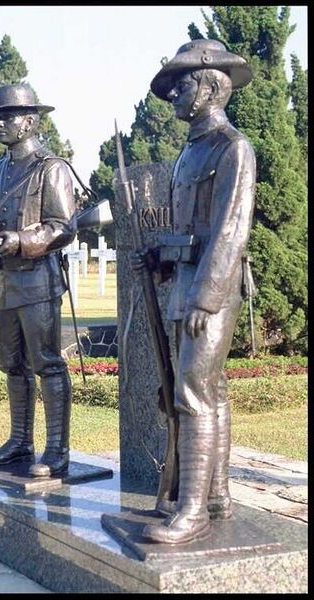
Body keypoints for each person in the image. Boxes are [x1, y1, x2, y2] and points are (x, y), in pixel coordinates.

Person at [131, 39, 256, 544]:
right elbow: (192, 228)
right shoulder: (190, 153)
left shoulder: (233, 148)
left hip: (211, 288)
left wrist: (206, 296)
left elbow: (230, 229)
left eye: (180, 86)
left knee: (190, 394)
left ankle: (192, 511)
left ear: (208, 86)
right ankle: (217, 494)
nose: (174, 96)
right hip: (184, 280)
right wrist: (159, 256)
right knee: (210, 391)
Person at [0, 83, 76, 478]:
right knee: (12, 365)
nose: (1, 123)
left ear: (31, 121)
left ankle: (56, 450)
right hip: (4, 283)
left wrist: (18, 240)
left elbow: (63, 228)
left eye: (9, 116)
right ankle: (20, 442)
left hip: (37, 282)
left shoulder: (52, 168)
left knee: (47, 364)